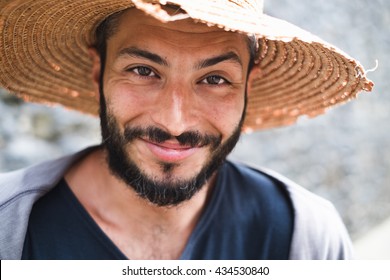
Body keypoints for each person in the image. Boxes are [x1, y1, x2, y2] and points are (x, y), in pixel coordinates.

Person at [0, 0, 373, 260]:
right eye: (143, 71)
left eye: (214, 78)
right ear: (99, 70)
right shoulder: (10, 228)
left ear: (248, 85)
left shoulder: (305, 237)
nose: (175, 122)